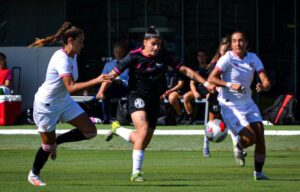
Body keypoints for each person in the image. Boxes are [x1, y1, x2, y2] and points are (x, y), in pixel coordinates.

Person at [103, 26, 215, 182]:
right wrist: (102, 90)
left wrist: (206, 82)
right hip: (136, 97)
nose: (156, 47)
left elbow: (186, 71)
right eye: (153, 44)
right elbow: (113, 74)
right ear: (145, 42)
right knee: (142, 130)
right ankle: (136, 172)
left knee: (142, 140)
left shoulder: (165, 55)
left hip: (155, 100)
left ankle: (118, 129)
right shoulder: (133, 56)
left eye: (159, 44)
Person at [27, 22, 112, 186]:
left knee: (90, 131)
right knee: (47, 147)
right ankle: (34, 174)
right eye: (81, 41)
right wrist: (98, 79)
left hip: (64, 101)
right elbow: (71, 87)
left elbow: (69, 88)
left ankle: (57, 141)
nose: (83, 45)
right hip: (47, 105)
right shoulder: (61, 59)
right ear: (71, 41)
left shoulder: (73, 55)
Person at [208, 30, 271, 180]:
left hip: (248, 103)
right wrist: (230, 84)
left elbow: (267, 81)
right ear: (231, 44)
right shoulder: (227, 58)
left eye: (241, 40)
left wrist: (263, 86)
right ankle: (239, 145)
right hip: (230, 106)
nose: (238, 44)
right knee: (251, 138)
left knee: (260, 135)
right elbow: (212, 78)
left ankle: (258, 173)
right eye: (235, 41)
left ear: (246, 43)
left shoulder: (253, 58)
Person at [96, 42, 129, 124]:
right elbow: (103, 78)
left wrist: (122, 81)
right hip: (110, 88)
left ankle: (94, 100)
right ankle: (106, 119)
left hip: (124, 88)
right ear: (113, 52)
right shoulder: (108, 64)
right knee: (106, 88)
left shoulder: (128, 64)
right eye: (116, 51)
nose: (118, 53)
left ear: (124, 52)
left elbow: (131, 80)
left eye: (120, 51)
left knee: (107, 86)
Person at [182, 49, 209, 125]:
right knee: (186, 97)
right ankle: (191, 119)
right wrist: (195, 92)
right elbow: (192, 83)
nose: (201, 57)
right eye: (199, 56)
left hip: (208, 90)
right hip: (198, 90)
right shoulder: (195, 69)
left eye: (203, 56)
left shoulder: (210, 68)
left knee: (212, 97)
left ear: (206, 57)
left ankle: (211, 119)